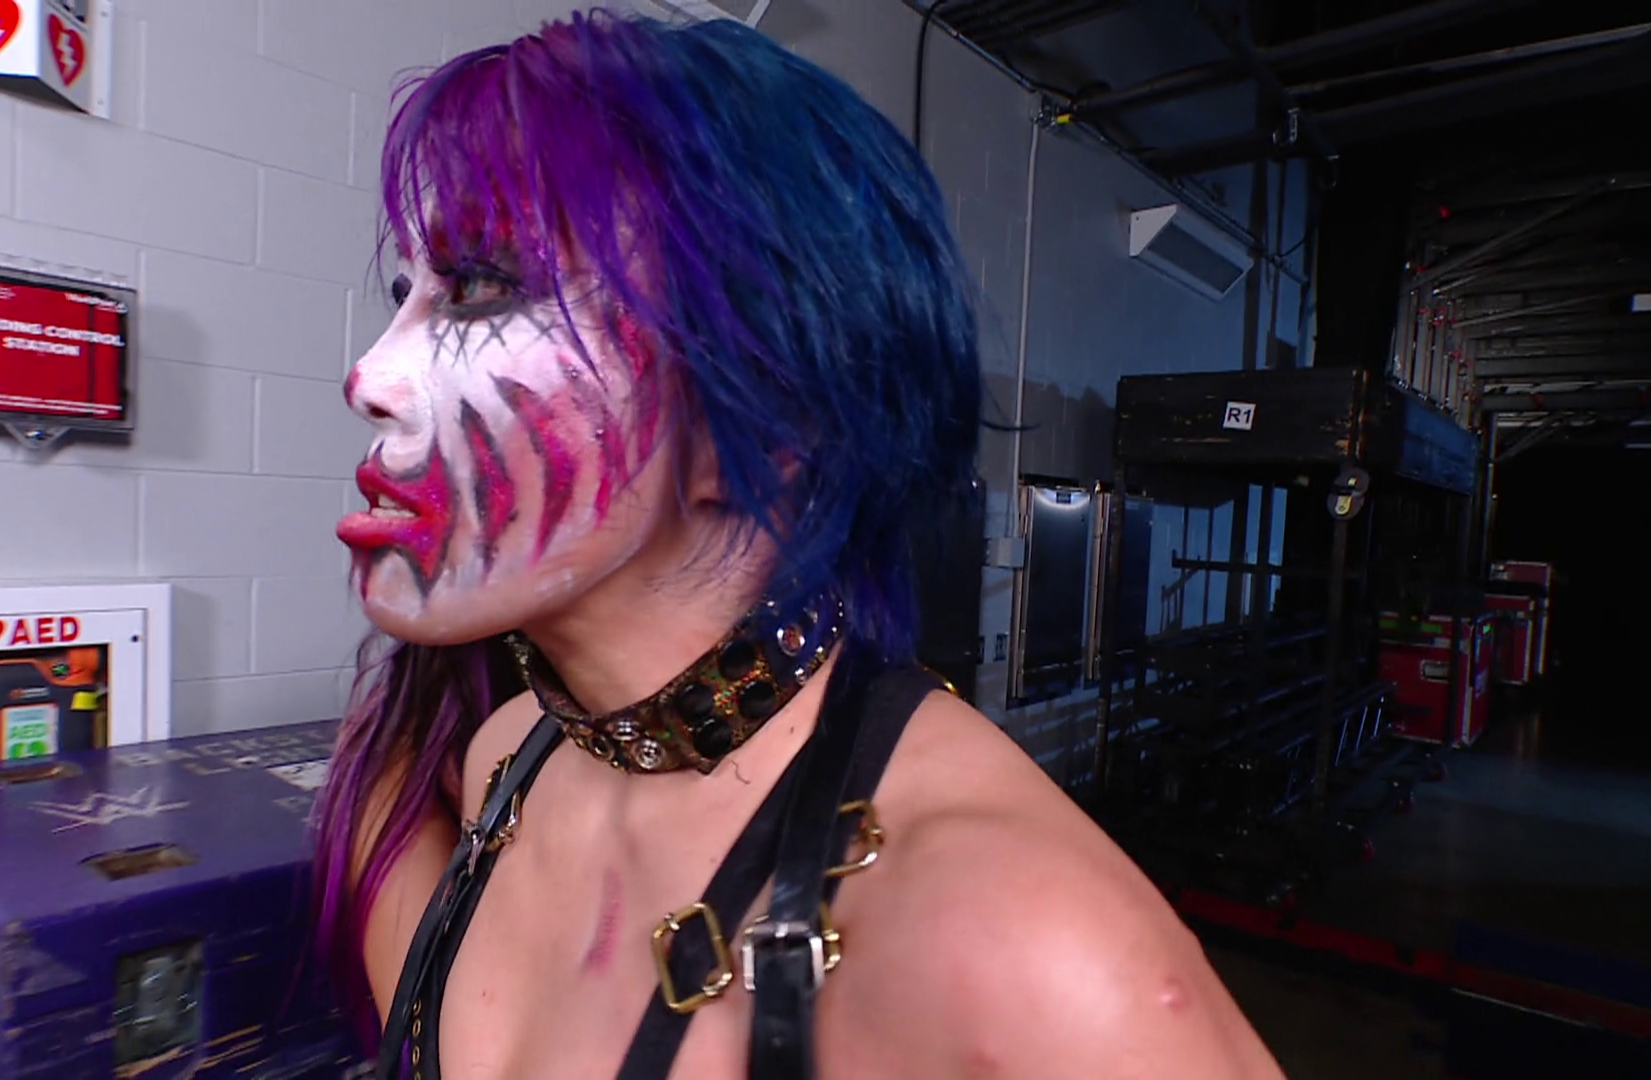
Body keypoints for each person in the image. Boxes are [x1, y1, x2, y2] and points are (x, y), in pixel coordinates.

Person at [311, 10, 1282, 1079]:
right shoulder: (508, 758)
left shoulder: (1031, 950)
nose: (368, 377)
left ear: (773, 415)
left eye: (482, 289)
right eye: (405, 296)